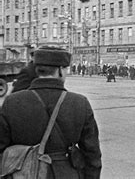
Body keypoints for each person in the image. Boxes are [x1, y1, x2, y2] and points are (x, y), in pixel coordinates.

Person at [0, 46, 102, 178]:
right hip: (67, 173)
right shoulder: (80, 103)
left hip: (23, 173)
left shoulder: (12, 102)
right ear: (60, 70)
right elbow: (92, 155)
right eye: (65, 69)